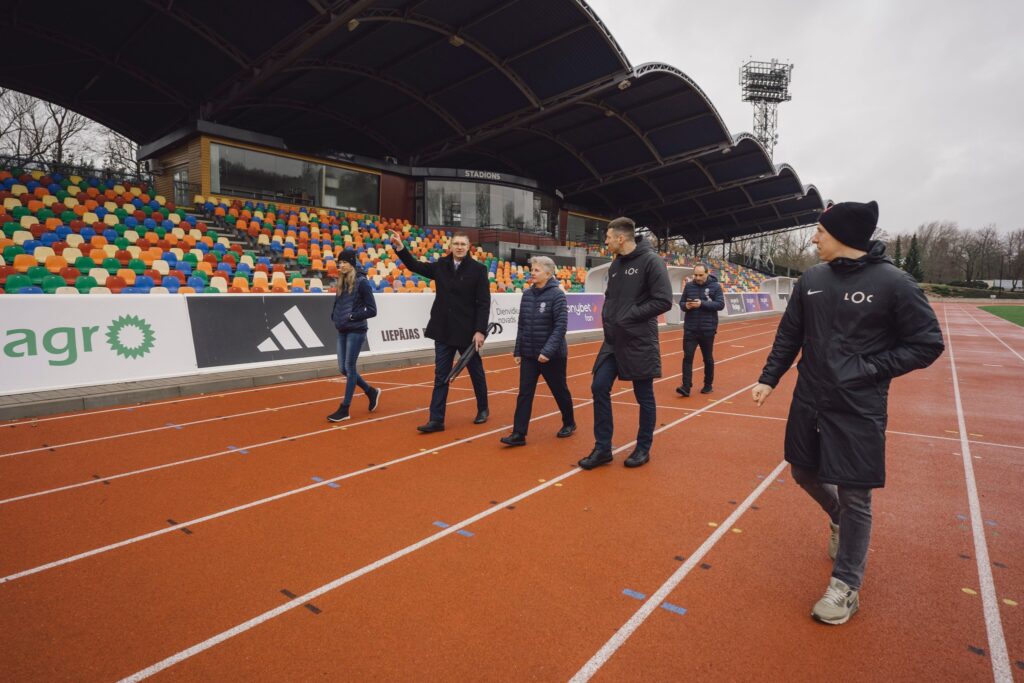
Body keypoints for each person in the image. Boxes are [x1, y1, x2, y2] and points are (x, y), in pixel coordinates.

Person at [751, 200, 944, 625]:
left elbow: (927, 343)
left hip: (859, 406)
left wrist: (869, 369)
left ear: (843, 235)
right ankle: (835, 516)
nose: (814, 238)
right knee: (803, 472)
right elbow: (790, 334)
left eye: (820, 231)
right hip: (810, 398)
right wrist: (769, 378)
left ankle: (846, 586)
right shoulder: (813, 279)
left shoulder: (895, 283)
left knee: (856, 494)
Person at [578, 217, 673, 470]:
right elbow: (611, 297)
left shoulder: (652, 262)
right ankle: (602, 448)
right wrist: (610, 317)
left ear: (621, 238)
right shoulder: (615, 264)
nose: (605, 241)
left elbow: (663, 301)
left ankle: (643, 448)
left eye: (608, 237)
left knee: (644, 396)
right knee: (599, 386)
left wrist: (628, 316)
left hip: (639, 340)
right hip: (613, 340)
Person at [386, 229, 490, 432]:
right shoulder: (441, 265)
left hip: (467, 333)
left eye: (462, 244)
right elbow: (415, 266)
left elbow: (484, 303)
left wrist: (480, 331)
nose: (459, 247)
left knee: (475, 372)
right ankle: (436, 419)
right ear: (450, 246)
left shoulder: (479, 270)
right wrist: (400, 248)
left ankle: (483, 408)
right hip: (442, 330)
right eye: (456, 244)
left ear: (468, 247)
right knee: (441, 374)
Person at [500, 256, 576, 447]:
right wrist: (518, 350)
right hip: (529, 354)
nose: (532, 273)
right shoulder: (527, 294)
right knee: (524, 393)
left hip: (552, 356)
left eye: (536, 270)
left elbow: (561, 326)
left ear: (548, 274)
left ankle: (569, 422)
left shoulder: (557, 295)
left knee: (559, 391)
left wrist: (547, 351)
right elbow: (522, 325)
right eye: (532, 270)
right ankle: (519, 433)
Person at [327, 249, 381, 422]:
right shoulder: (341, 281)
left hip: (356, 330)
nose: (341, 265)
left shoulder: (362, 282)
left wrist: (353, 316)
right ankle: (371, 392)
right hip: (342, 329)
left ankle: (345, 409)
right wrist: (335, 315)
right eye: (339, 263)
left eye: (344, 262)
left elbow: (372, 310)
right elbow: (339, 303)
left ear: (352, 263)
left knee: (350, 367)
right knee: (343, 368)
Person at [676, 263, 724, 397]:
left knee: (707, 358)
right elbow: (681, 303)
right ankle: (686, 386)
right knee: (687, 357)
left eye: (700, 275)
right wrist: (686, 306)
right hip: (690, 328)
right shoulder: (689, 286)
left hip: (707, 329)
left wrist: (701, 304)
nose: (697, 278)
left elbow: (720, 304)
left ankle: (708, 384)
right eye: (695, 275)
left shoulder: (715, 286)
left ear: (707, 273)